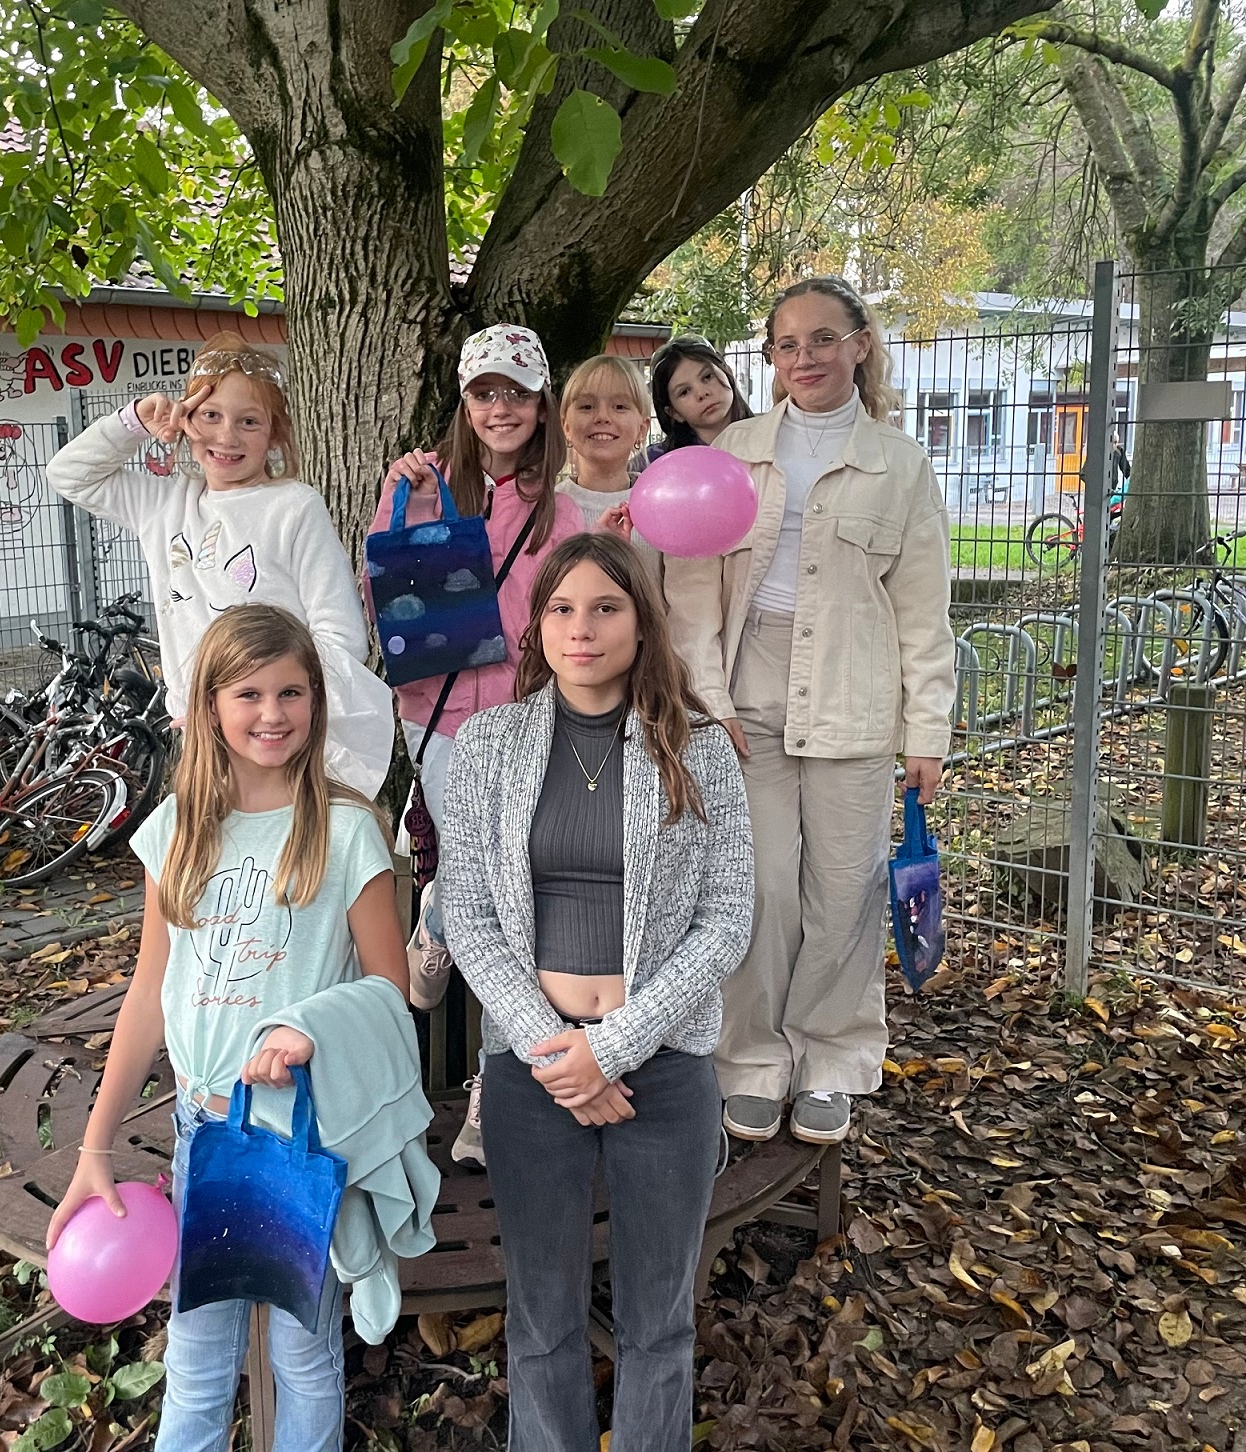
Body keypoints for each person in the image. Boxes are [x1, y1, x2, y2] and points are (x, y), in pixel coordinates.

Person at [45, 604, 416, 1452]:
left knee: (301, 1355)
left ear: (317, 703)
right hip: (201, 1131)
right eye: (248, 693)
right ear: (209, 705)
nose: (272, 714)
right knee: (199, 1360)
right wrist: (96, 1146)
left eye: (291, 692)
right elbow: (149, 993)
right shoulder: (174, 832)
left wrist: (312, 1030)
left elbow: (392, 991)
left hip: (297, 1138)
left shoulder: (348, 831)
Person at [442, 532, 754, 1452]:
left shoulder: (697, 748)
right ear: (537, 627)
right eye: (563, 608)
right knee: (541, 1319)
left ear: (641, 621)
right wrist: (555, 1051)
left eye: (606, 607)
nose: (584, 628)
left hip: (661, 1073)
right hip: (532, 1074)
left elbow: (726, 918)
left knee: (659, 1321)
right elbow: (467, 910)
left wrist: (609, 1050)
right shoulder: (490, 744)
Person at [665, 275, 955, 1147]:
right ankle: (750, 1058)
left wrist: (927, 728)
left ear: (860, 343)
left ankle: (830, 1057)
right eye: (787, 345)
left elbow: (922, 606)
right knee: (754, 890)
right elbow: (692, 590)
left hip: (853, 699)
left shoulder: (898, 462)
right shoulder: (738, 447)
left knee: (842, 890)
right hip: (745, 698)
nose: (805, 359)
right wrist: (705, 699)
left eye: (823, 340)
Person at [368, 323, 585, 1168]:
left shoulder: (559, 512)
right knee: (489, 886)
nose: (502, 408)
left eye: (518, 393)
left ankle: (495, 1085)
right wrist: (400, 512)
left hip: (529, 722)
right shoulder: (416, 490)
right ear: (465, 402)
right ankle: (442, 921)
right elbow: (381, 599)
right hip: (443, 718)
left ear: (541, 404)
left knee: (511, 900)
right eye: (485, 392)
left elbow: (578, 618)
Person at [46, 330, 392, 798]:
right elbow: (68, 473)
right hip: (199, 737)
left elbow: (339, 632)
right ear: (186, 421)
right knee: (211, 863)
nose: (227, 436)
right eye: (210, 415)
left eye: (249, 421)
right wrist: (135, 422)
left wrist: (287, 711)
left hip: (278, 739)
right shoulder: (163, 504)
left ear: (274, 432)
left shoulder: (293, 506)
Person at [556, 354, 663, 580]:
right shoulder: (547, 509)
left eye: (619, 406)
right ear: (566, 425)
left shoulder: (663, 506)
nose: (602, 417)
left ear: (642, 430)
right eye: (586, 406)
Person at [645, 334, 753, 462]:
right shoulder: (656, 462)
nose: (701, 393)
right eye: (684, 392)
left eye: (707, 377)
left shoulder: (771, 437)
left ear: (727, 372)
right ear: (674, 412)